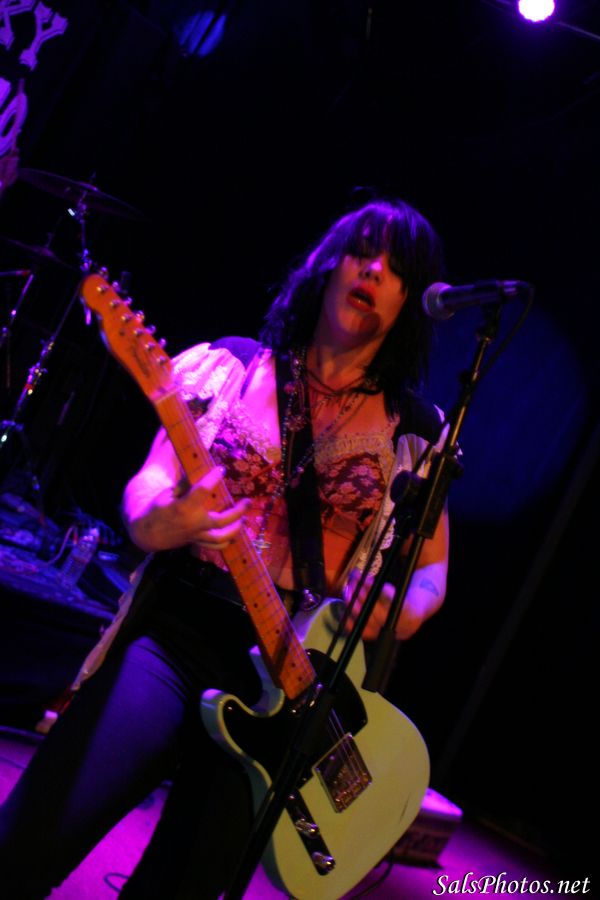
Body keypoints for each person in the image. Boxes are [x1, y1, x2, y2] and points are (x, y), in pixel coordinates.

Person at [0, 197, 450, 898]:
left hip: (295, 683)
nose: (373, 270)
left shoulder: (415, 433)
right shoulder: (231, 368)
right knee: (29, 840)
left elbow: (433, 571)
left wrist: (405, 608)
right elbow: (148, 487)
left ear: (409, 302)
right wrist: (165, 520)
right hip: (177, 637)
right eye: (362, 250)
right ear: (328, 264)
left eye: (396, 268)